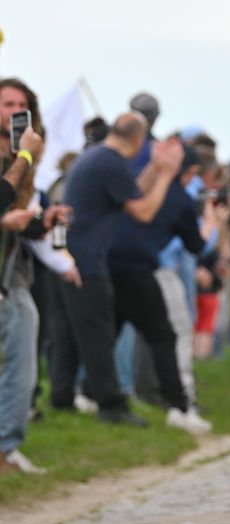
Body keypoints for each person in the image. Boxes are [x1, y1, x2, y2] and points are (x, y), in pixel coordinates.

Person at [58, 112, 184, 426]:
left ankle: (62, 397)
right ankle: (111, 406)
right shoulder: (109, 162)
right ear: (139, 139)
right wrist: (167, 175)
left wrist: (155, 167)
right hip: (89, 263)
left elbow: (132, 193)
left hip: (74, 259)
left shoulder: (101, 158)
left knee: (72, 336)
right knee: (98, 336)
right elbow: (142, 211)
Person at [105, 146, 213, 434]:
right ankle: (179, 406)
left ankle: (90, 392)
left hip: (109, 262)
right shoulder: (178, 198)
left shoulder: (140, 184)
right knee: (164, 336)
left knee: (109, 332)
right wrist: (212, 224)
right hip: (140, 268)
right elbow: (196, 246)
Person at [0, 84, 50, 475]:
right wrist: (26, 156)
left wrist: (40, 222)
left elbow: (13, 213)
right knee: (20, 355)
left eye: (23, 106)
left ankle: (7, 447)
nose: (16, 112)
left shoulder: (18, 156)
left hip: (11, 270)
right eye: (8, 104)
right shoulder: (20, 156)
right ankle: (5, 447)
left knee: (22, 354)